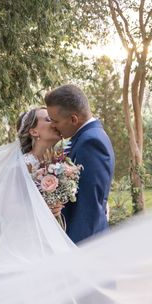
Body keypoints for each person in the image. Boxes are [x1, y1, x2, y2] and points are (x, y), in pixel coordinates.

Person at [45, 84, 115, 244]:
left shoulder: (91, 141)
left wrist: (78, 250)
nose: (52, 125)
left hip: (86, 242)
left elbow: (89, 205)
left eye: (55, 121)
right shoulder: (85, 137)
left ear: (73, 119)